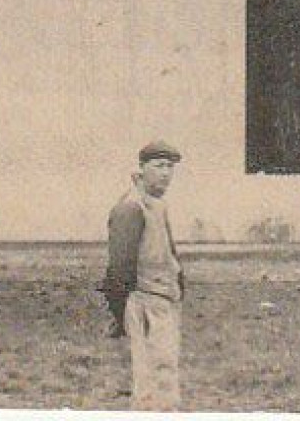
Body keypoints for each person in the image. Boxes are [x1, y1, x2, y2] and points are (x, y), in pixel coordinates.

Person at [103, 140, 185, 410]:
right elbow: (119, 269)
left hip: (164, 301)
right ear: (142, 168)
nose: (166, 173)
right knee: (152, 380)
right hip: (145, 303)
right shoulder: (131, 207)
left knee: (166, 375)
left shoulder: (158, 206)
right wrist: (121, 314)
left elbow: (167, 254)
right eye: (159, 166)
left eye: (170, 167)